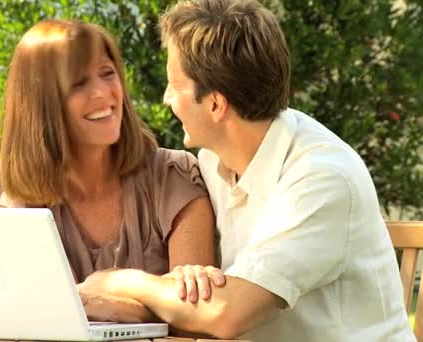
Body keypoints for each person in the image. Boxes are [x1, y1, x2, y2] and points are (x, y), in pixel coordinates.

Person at [77, 0, 415, 340]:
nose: (167, 98)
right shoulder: (214, 160)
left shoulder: (323, 179)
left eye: (174, 85)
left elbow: (226, 312)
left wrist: (120, 280)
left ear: (215, 104)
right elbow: (201, 301)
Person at [0, 19, 217, 322]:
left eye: (107, 74)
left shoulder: (173, 178)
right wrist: (132, 306)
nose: (103, 93)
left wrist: (79, 304)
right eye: (78, 83)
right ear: (41, 103)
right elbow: (4, 314)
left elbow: (196, 315)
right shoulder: (7, 193)